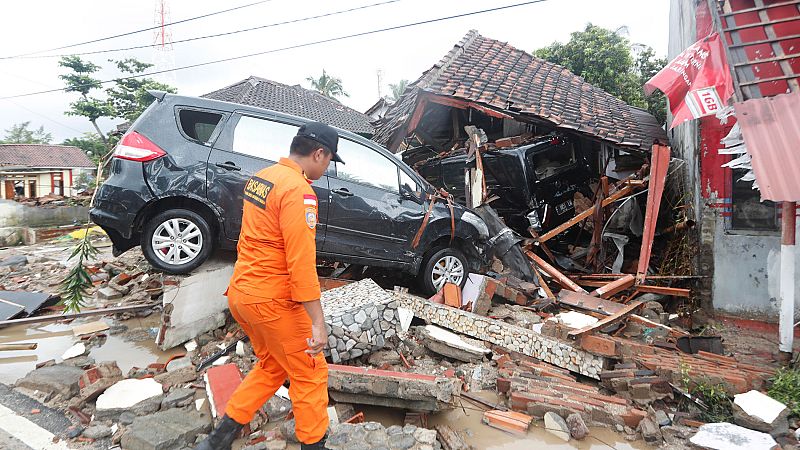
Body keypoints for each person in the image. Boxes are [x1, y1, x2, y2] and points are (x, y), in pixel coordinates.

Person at [195, 122, 344, 450]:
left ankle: (217, 441)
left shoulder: (262, 179)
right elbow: (301, 263)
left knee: (273, 366)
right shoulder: (299, 191)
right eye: (329, 159)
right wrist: (318, 323)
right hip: (273, 301)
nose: (328, 167)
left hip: (243, 294)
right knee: (310, 373)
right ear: (318, 153)